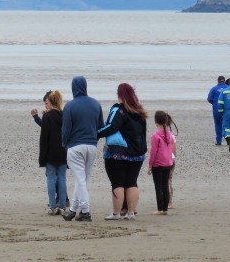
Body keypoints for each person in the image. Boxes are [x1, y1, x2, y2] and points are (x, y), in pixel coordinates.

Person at [97, 83, 148, 221]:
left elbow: (111, 127)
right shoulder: (140, 111)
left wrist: (96, 134)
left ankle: (116, 213)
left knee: (117, 182)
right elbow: (143, 133)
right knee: (132, 182)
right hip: (137, 153)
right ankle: (131, 213)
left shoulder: (118, 110)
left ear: (120, 95)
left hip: (118, 153)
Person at [60, 76, 104, 222]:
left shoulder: (70, 106)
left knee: (80, 180)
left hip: (75, 145)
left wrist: (65, 144)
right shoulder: (96, 104)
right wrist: (94, 140)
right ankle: (72, 210)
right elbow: (100, 127)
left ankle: (85, 211)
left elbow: (66, 129)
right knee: (83, 180)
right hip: (91, 146)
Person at [32, 90, 69, 209]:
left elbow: (44, 137)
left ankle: (53, 206)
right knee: (62, 178)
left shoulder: (47, 116)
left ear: (51, 102)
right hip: (63, 151)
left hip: (51, 152)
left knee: (51, 179)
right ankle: (63, 206)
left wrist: (42, 156)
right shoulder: (66, 115)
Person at [147, 111, 177, 216]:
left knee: (159, 187)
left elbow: (153, 152)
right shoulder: (170, 135)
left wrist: (150, 165)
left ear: (155, 122)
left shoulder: (155, 136)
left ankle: (160, 209)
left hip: (158, 164)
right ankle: (165, 209)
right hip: (168, 163)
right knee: (165, 186)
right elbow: (173, 150)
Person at [207, 76, 227, 145]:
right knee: (227, 125)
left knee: (218, 124)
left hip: (217, 109)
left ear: (218, 81)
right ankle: (228, 139)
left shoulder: (214, 89)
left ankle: (219, 140)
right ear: (224, 81)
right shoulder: (227, 88)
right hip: (226, 109)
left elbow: (209, 99)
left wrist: (214, 103)